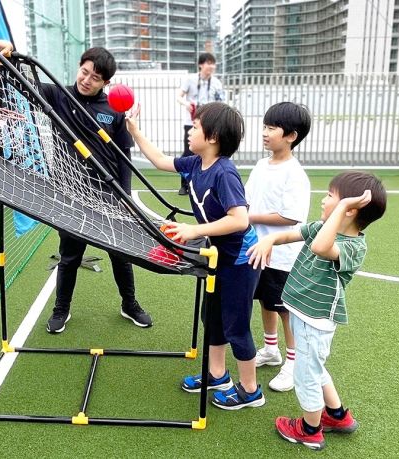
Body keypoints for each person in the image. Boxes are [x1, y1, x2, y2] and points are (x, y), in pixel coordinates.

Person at [0, 40, 153, 333]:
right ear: (79, 68)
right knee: (69, 256)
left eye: (96, 77)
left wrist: (125, 195)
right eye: (85, 71)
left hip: (108, 193)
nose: (87, 80)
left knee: (121, 254)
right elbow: (23, 83)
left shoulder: (113, 109)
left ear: (106, 82)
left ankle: (129, 304)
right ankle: (61, 309)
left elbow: (123, 155)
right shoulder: (58, 95)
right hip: (71, 193)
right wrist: (9, 52)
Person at [127, 101, 265, 410]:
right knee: (212, 317)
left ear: (213, 136)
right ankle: (217, 374)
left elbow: (240, 219)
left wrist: (192, 230)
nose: (191, 131)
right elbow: (161, 160)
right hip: (218, 256)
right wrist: (135, 130)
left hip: (241, 261)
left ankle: (251, 390)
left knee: (236, 325)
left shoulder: (224, 173)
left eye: (197, 127)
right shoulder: (194, 163)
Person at [247, 171, 387, 450]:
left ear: (349, 210)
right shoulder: (321, 227)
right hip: (303, 314)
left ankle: (310, 429)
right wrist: (269, 240)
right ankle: (336, 416)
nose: (323, 201)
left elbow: (321, 247)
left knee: (307, 374)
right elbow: (292, 233)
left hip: (316, 321)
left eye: (331, 197)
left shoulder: (353, 246)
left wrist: (343, 206)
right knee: (315, 366)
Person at [244, 102, 311, 392]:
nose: (265, 132)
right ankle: (271, 349)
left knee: (285, 309)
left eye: (272, 128)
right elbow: (246, 199)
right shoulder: (261, 165)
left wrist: (248, 216)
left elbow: (291, 216)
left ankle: (293, 363)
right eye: (265, 126)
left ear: (291, 136)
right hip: (257, 249)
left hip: (282, 255)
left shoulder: (295, 173)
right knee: (264, 300)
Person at [176, 53, 224, 196]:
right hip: (191, 123)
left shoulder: (216, 83)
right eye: (208, 63)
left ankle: (205, 183)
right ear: (200, 65)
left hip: (210, 124)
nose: (211, 66)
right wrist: (186, 104)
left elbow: (222, 102)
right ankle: (184, 184)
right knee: (188, 153)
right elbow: (179, 96)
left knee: (210, 152)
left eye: (213, 63)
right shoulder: (190, 79)